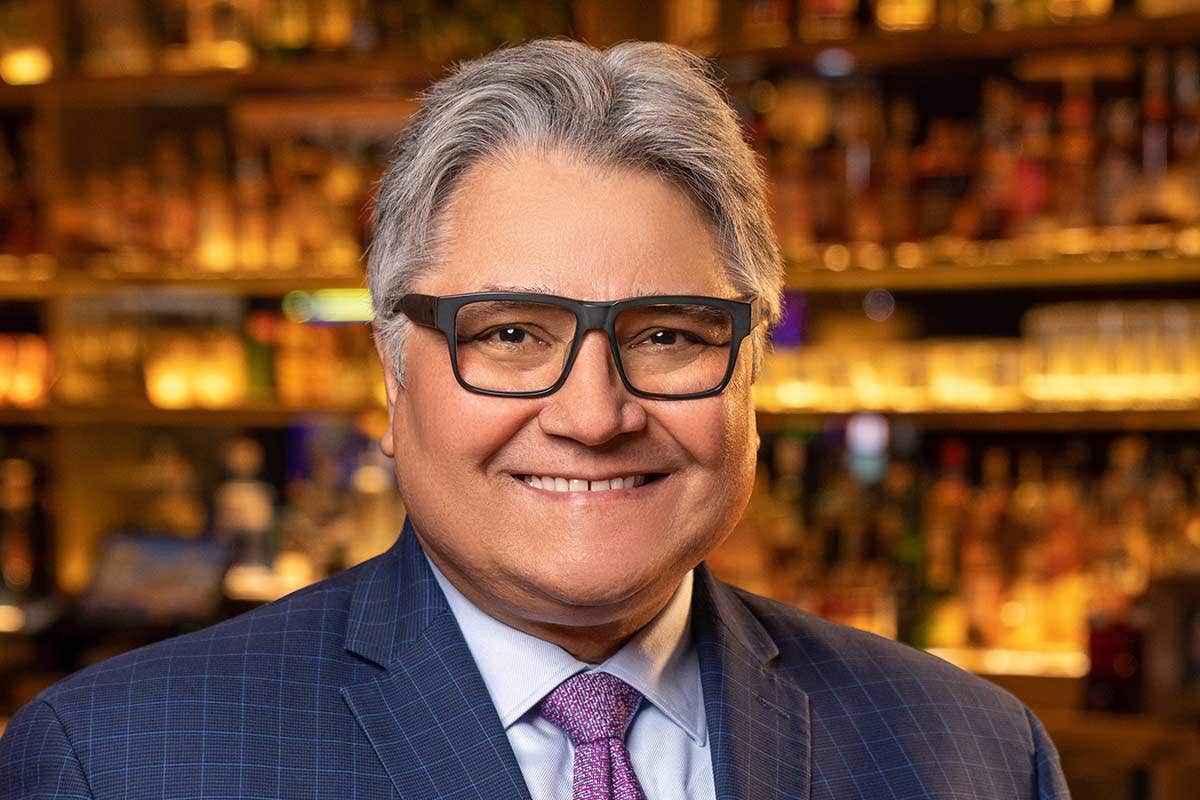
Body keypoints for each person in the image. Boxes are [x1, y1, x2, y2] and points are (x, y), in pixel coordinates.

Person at [0, 39, 1069, 800]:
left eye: (666, 335)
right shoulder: (122, 758)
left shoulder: (971, 750)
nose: (595, 414)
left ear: (750, 375)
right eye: (511, 334)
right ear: (391, 375)